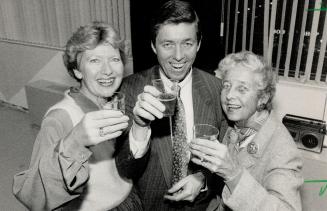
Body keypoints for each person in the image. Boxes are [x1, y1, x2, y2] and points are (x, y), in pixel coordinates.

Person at [12, 22, 146, 211]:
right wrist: (76, 140)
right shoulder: (59, 118)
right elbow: (36, 196)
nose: (107, 70)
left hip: (129, 200)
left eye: (114, 59)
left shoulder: (118, 104)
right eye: (94, 60)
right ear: (77, 70)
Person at [116, 0, 225, 210]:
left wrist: (203, 178)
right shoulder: (129, 90)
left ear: (199, 44)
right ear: (153, 45)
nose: (178, 56)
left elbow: (228, 149)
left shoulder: (217, 88)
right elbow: (124, 170)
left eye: (187, 43)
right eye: (167, 44)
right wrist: (140, 126)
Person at [190, 51, 303, 211]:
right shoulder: (234, 125)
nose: (229, 95)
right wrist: (201, 179)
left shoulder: (282, 149)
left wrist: (233, 173)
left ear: (263, 98)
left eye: (242, 89)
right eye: (226, 86)